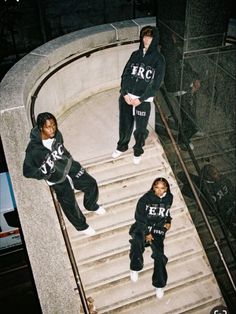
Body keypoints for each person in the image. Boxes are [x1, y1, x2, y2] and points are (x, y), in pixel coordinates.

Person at [23, 112, 106, 236]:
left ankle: (91, 205)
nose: (52, 129)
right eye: (48, 127)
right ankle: (82, 226)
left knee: (91, 183)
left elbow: (62, 147)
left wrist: (69, 159)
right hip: (57, 179)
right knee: (69, 204)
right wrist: (45, 173)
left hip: (69, 166)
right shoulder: (34, 150)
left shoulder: (57, 135)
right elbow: (27, 172)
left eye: (54, 125)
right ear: (41, 127)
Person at [112, 25, 165, 165]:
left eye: (150, 37)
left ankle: (138, 150)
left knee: (141, 128)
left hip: (143, 100)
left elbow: (156, 84)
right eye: (145, 36)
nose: (147, 39)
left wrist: (141, 99)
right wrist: (124, 93)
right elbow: (126, 74)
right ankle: (122, 146)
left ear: (155, 39)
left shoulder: (159, 60)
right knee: (125, 124)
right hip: (126, 97)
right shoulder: (135, 54)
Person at [129, 177, 173, 299]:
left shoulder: (169, 197)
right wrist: (147, 232)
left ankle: (159, 284)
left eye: (162, 188)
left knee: (159, 255)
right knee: (137, 242)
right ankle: (135, 267)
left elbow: (167, 212)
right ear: (153, 187)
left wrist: (168, 221)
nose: (159, 191)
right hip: (142, 227)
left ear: (166, 188)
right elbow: (139, 217)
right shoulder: (144, 199)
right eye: (156, 187)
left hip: (158, 230)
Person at [178, 164, 235, 237]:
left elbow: (232, 190)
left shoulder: (224, 180)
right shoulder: (206, 189)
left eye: (217, 172)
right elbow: (208, 209)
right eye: (214, 173)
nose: (218, 174)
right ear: (208, 177)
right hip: (225, 214)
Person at [178, 78, 204, 151]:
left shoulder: (192, 93)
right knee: (189, 120)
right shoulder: (187, 93)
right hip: (184, 92)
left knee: (191, 117)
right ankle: (183, 140)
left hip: (188, 90)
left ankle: (192, 131)